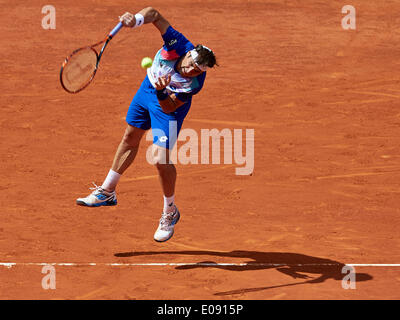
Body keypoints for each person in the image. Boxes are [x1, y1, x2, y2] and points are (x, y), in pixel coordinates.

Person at [76, 7, 218, 242]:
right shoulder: (178, 42)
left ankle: (170, 211)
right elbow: (154, 14)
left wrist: (163, 91)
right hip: (147, 91)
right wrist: (136, 20)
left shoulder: (192, 84)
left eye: (196, 71)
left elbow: (169, 107)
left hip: (168, 107)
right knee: (130, 137)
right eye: (190, 65)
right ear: (189, 53)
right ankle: (107, 191)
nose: (190, 70)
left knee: (161, 159)